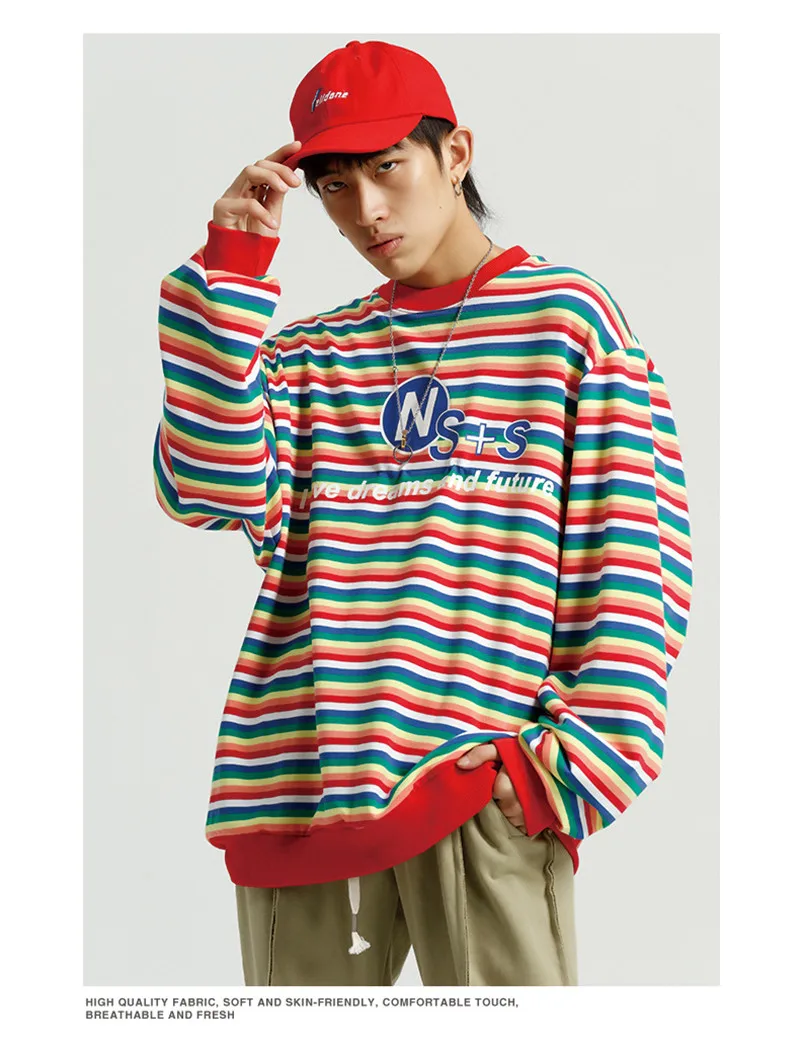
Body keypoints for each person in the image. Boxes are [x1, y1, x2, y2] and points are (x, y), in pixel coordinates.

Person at [152, 39, 693, 987]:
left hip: (482, 785)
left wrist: (567, 770)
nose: (364, 209)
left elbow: (633, 558)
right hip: (301, 789)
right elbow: (205, 486)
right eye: (333, 184)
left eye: (387, 168)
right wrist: (230, 271)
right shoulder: (313, 357)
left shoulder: (566, 324)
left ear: (456, 153)